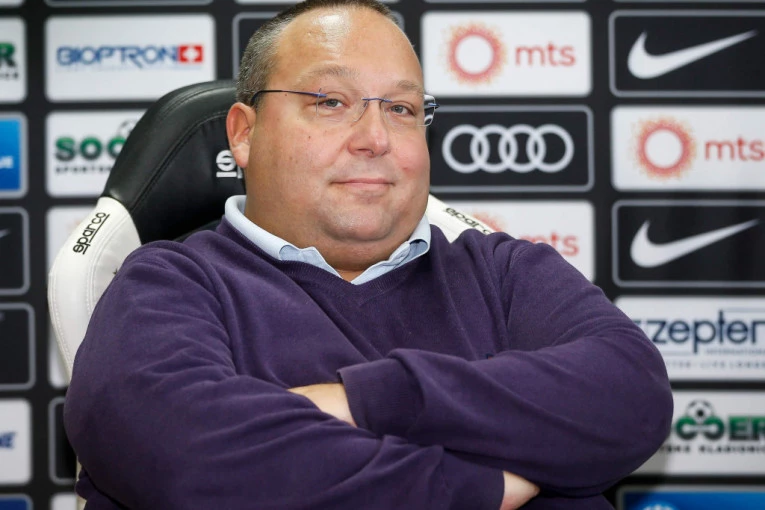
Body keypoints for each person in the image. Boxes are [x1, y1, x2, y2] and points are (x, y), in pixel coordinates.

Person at [63, 1, 673, 508]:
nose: (375, 138)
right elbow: (181, 452)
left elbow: (631, 398)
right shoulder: (167, 285)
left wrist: (360, 401)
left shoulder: (505, 273)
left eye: (401, 109)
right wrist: (476, 486)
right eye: (330, 101)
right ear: (244, 134)